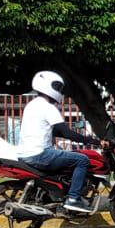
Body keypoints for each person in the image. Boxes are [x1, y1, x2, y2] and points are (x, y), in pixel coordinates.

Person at [17, 70, 101, 214]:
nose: (60, 92)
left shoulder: (32, 105)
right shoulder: (48, 107)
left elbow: (53, 131)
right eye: (58, 88)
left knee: (66, 158)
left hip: (25, 154)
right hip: (40, 154)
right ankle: (74, 198)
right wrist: (92, 141)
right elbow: (65, 132)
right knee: (82, 160)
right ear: (49, 86)